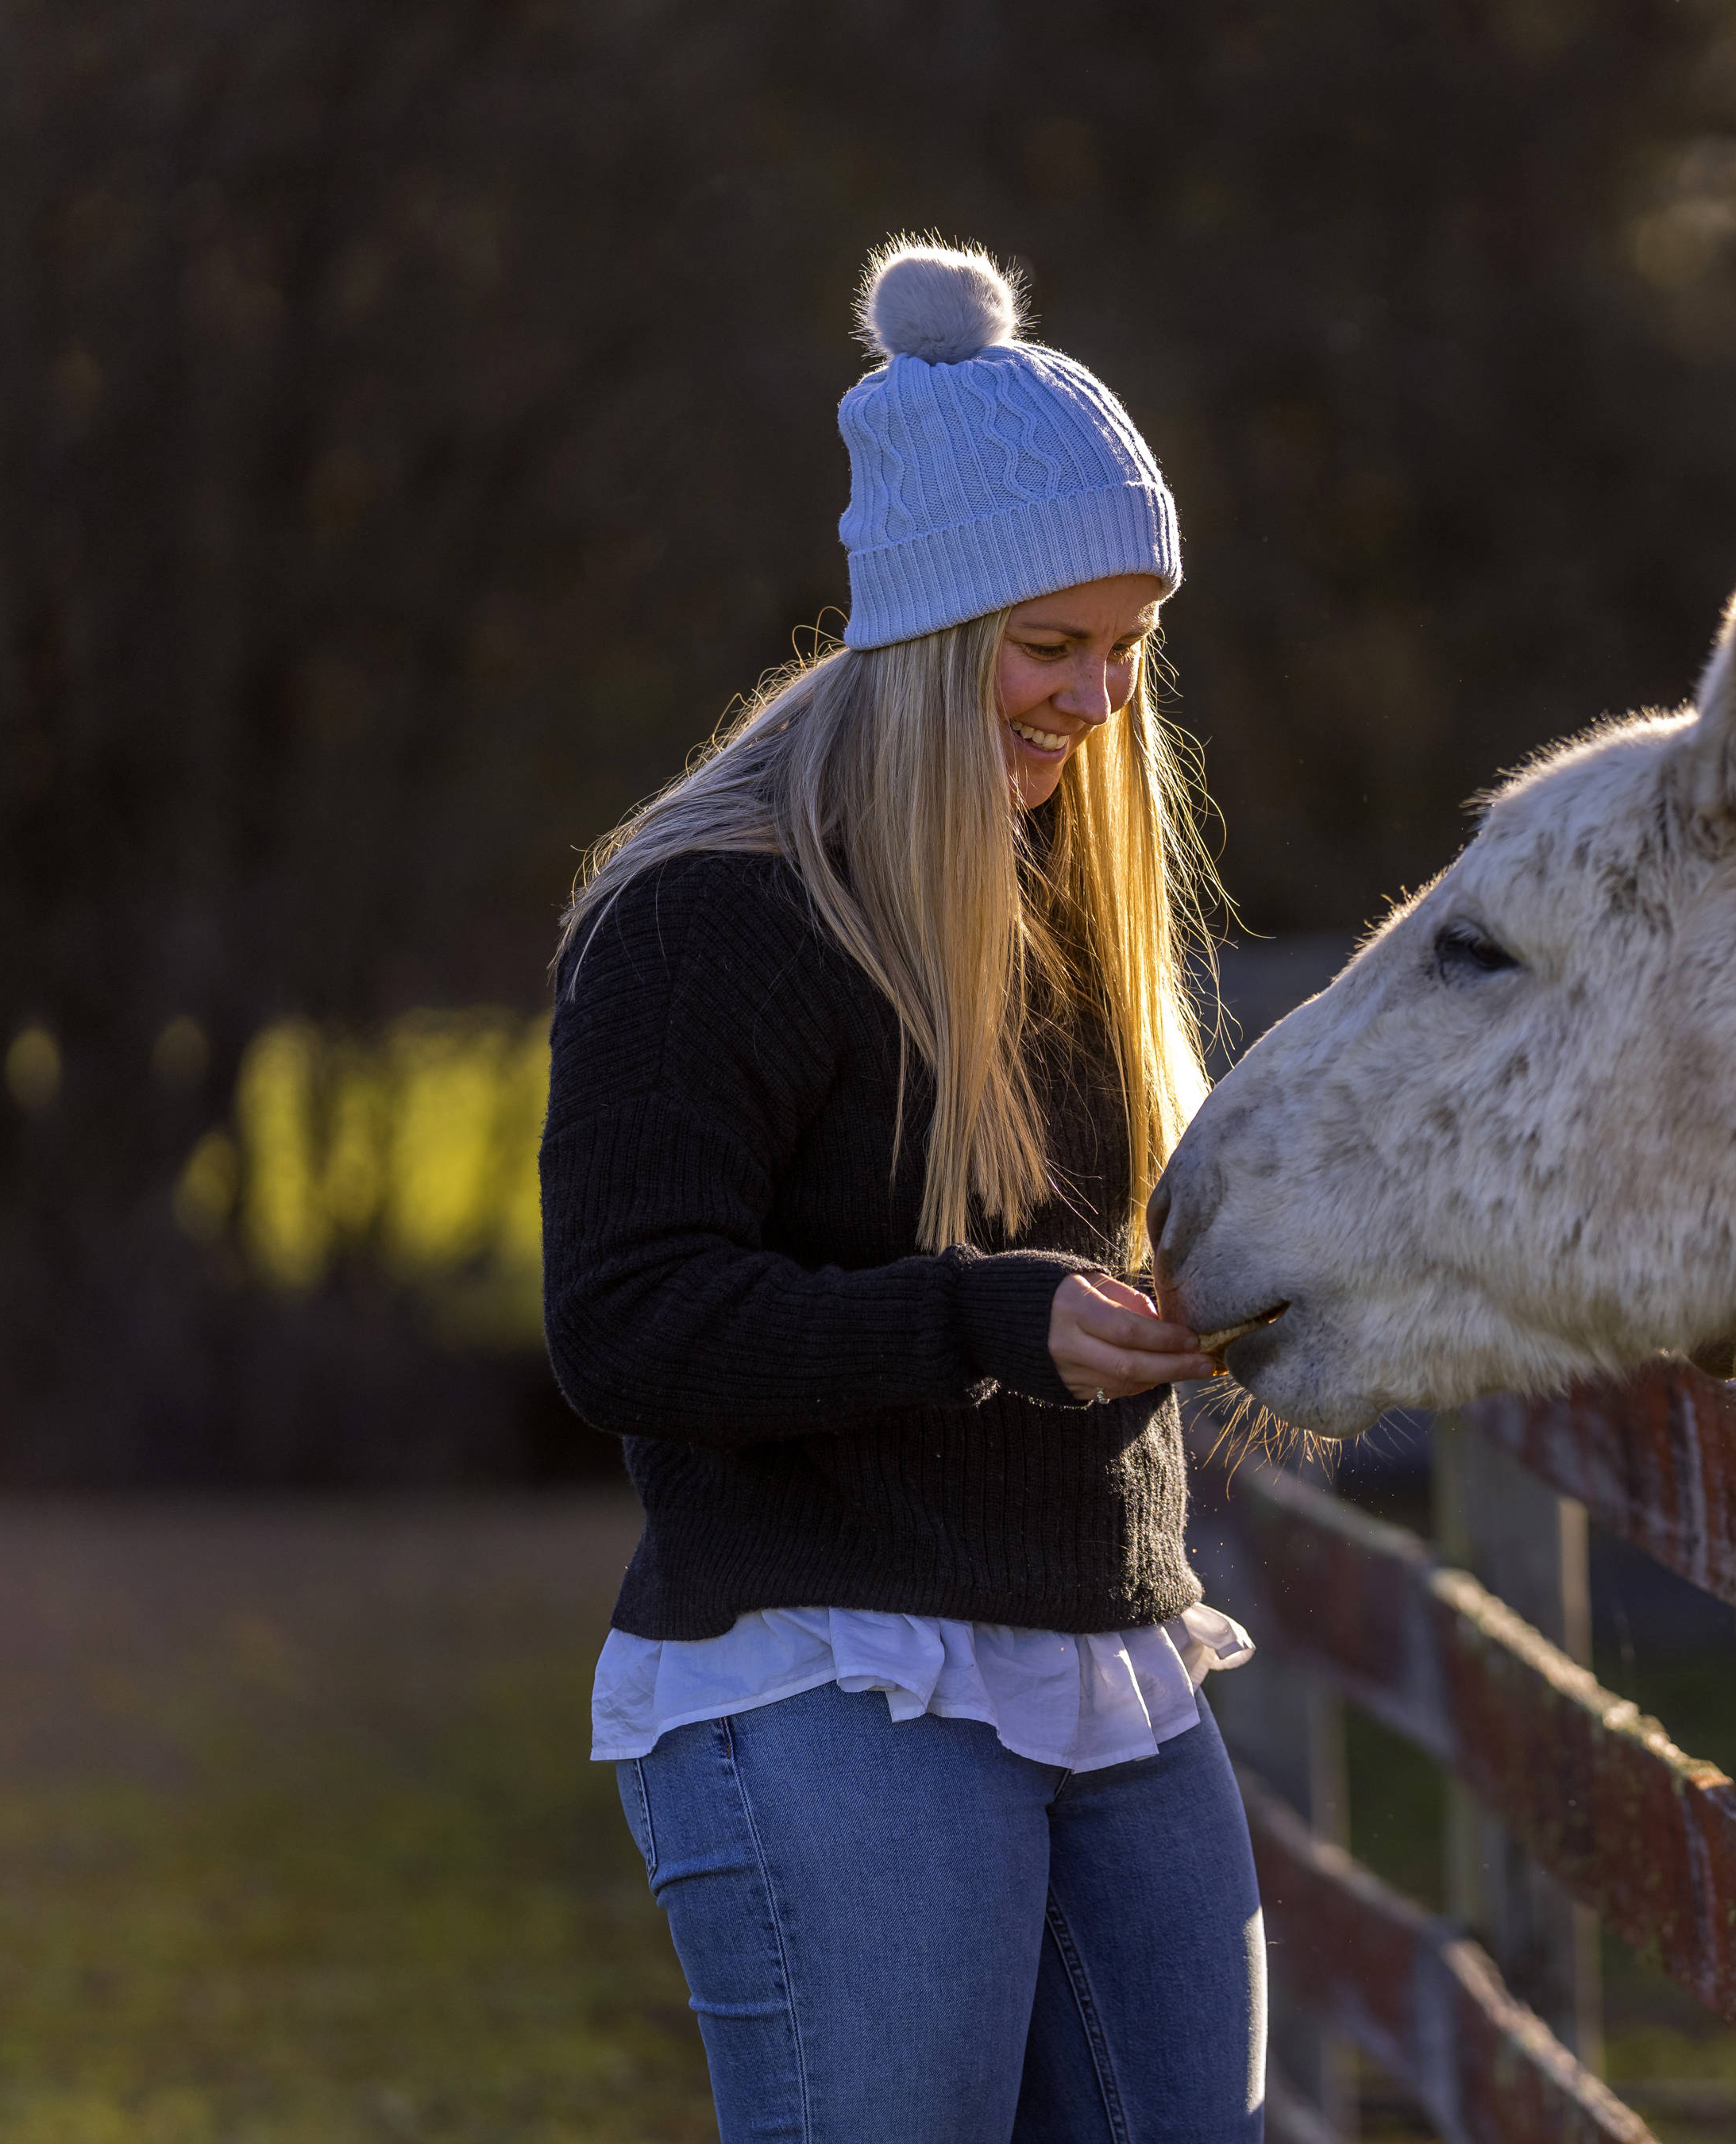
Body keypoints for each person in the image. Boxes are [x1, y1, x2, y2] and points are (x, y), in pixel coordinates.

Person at [541, 235, 1263, 2142]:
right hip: (822, 1667)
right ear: (934, 627)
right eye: (1052, 648)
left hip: (1113, 1649)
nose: (1099, 700)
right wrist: (988, 1321)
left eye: (1128, 648)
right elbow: (628, 1321)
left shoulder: (1065, 904)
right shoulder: (716, 914)